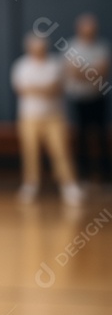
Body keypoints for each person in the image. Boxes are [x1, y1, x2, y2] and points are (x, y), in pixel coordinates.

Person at [11, 33, 84, 205]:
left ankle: (69, 185)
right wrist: (43, 89)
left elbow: (56, 88)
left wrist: (36, 89)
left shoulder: (55, 64)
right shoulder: (21, 65)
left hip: (54, 117)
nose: (38, 50)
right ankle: (31, 185)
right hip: (28, 117)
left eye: (41, 47)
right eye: (34, 47)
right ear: (29, 48)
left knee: (60, 151)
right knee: (30, 152)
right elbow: (21, 89)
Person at [64, 13, 111, 186]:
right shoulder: (71, 47)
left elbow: (102, 71)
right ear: (79, 29)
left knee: (101, 135)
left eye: (92, 28)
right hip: (78, 99)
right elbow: (72, 73)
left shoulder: (102, 47)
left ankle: (105, 175)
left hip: (98, 98)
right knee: (81, 136)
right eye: (86, 28)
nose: (89, 31)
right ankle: (84, 174)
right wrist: (91, 72)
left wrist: (84, 72)